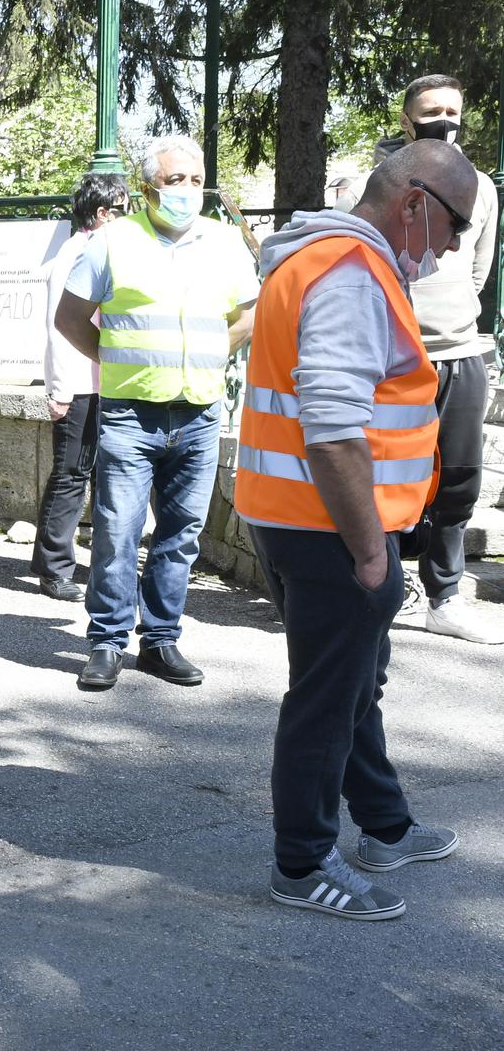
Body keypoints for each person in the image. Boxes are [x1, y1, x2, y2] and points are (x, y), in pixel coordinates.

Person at [237, 140, 472, 921]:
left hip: (303, 516)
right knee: (328, 699)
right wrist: (372, 552)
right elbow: (333, 430)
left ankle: (385, 826)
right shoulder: (348, 271)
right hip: (330, 528)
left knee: (350, 687)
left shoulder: (323, 259)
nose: (449, 249)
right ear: (413, 204)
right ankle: (301, 866)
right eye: (453, 225)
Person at [55, 135, 259, 692]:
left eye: (196, 180)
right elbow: (70, 318)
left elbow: (245, 316)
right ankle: (106, 642)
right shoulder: (113, 242)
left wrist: (210, 356)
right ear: (148, 188)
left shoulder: (223, 243)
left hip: (198, 410)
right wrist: (116, 362)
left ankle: (161, 639)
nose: (187, 191)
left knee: (181, 535)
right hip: (129, 413)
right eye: (175, 181)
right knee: (118, 532)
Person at [338, 75, 501, 644]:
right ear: (407, 121)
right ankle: (380, 581)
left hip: (459, 350)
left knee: (457, 480)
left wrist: (452, 315)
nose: (445, 120)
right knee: (381, 471)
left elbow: (478, 271)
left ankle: (445, 595)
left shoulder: (481, 187)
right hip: (393, 355)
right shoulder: (368, 183)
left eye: (454, 110)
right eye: (432, 111)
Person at [31, 174, 130, 602]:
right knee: (71, 473)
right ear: (103, 214)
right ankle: (54, 568)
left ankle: (53, 560)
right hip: (79, 384)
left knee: (85, 473)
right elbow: (61, 327)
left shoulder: (99, 250)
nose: (132, 218)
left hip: (101, 380)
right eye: (124, 210)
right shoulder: (78, 253)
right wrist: (60, 389)